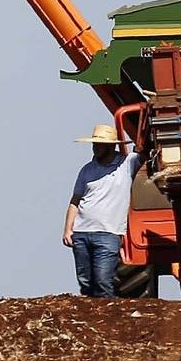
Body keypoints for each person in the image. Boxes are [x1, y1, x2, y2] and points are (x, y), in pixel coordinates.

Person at [63, 125, 143, 298]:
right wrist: (68, 229)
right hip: (81, 232)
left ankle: (109, 317)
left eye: (100, 144)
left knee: (103, 280)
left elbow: (144, 149)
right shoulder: (86, 170)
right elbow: (75, 201)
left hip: (108, 233)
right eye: (95, 144)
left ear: (111, 146)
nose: (95, 147)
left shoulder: (127, 163)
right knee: (85, 282)